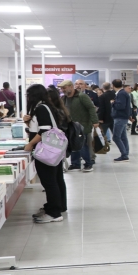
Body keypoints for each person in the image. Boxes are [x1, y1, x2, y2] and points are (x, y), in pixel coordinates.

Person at [23, 84, 69, 224]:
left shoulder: (41, 108)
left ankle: (54, 213)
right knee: (56, 179)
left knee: (49, 182)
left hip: (45, 151)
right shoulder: (47, 107)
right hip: (53, 150)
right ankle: (57, 206)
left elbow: (44, 130)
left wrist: (30, 144)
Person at [59, 80, 99, 172]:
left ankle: (88, 164)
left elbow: (91, 108)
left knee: (82, 145)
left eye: (64, 88)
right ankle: (75, 164)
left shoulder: (82, 96)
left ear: (70, 87)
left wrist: (95, 121)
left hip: (83, 125)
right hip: (70, 126)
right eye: (61, 88)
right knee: (73, 144)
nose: (62, 90)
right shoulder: (63, 98)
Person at [46, 87, 70, 213]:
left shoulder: (54, 112)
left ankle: (58, 206)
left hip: (54, 147)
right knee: (59, 177)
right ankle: (62, 204)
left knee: (55, 178)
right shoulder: (61, 109)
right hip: (59, 146)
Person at [111, 79, 131, 162]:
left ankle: (124, 154)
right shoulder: (123, 93)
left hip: (120, 117)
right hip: (123, 117)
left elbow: (120, 106)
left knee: (116, 137)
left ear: (113, 85)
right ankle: (125, 152)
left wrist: (113, 103)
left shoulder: (121, 94)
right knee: (123, 136)